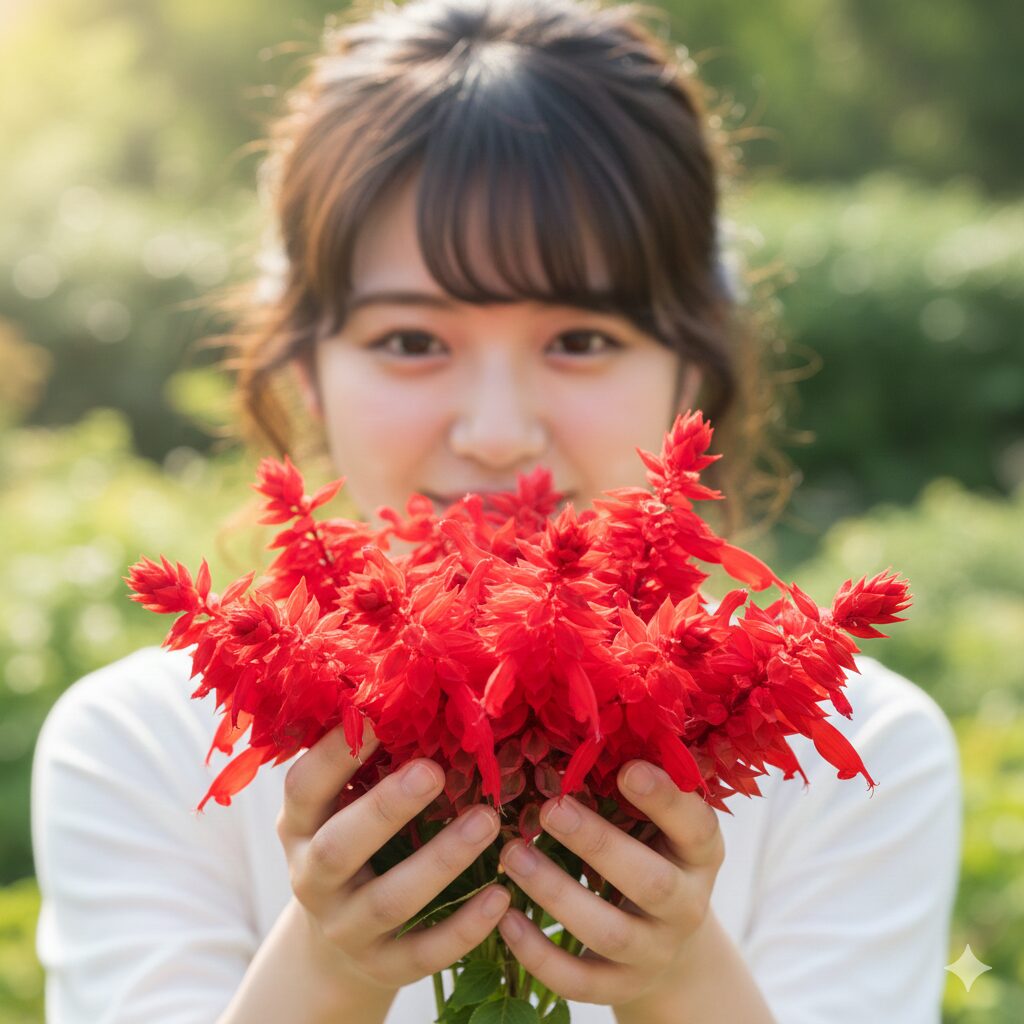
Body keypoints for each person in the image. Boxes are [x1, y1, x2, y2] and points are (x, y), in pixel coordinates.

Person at [30, 1, 962, 1022]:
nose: (497, 432)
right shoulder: (141, 746)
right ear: (303, 369)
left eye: (582, 339)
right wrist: (332, 968)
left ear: (694, 362)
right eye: (409, 341)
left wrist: (681, 977)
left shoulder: (871, 755)